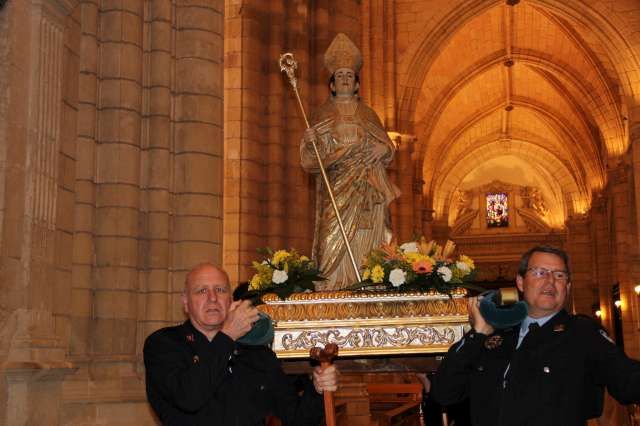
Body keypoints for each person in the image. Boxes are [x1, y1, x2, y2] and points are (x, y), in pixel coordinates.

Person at [431, 246, 640, 426]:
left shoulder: (583, 334)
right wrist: (477, 334)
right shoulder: (495, 335)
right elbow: (444, 392)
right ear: (521, 282)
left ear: (567, 287)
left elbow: (628, 381)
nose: (550, 281)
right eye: (540, 272)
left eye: (559, 275)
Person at [144, 263, 338, 425]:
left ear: (230, 300)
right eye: (201, 291)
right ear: (185, 303)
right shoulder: (164, 344)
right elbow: (189, 397)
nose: (212, 298)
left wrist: (317, 390)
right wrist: (227, 335)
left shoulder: (257, 354)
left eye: (220, 290)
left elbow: (297, 419)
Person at [301, 33, 400, 290]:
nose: (344, 79)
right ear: (332, 84)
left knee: (367, 237)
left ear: (356, 84)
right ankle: (333, 287)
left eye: (349, 76)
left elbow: (387, 147)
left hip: (366, 190)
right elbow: (312, 161)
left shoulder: (368, 114)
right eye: (340, 76)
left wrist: (383, 149)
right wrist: (310, 140)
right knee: (330, 238)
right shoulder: (322, 114)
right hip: (336, 188)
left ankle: (369, 283)